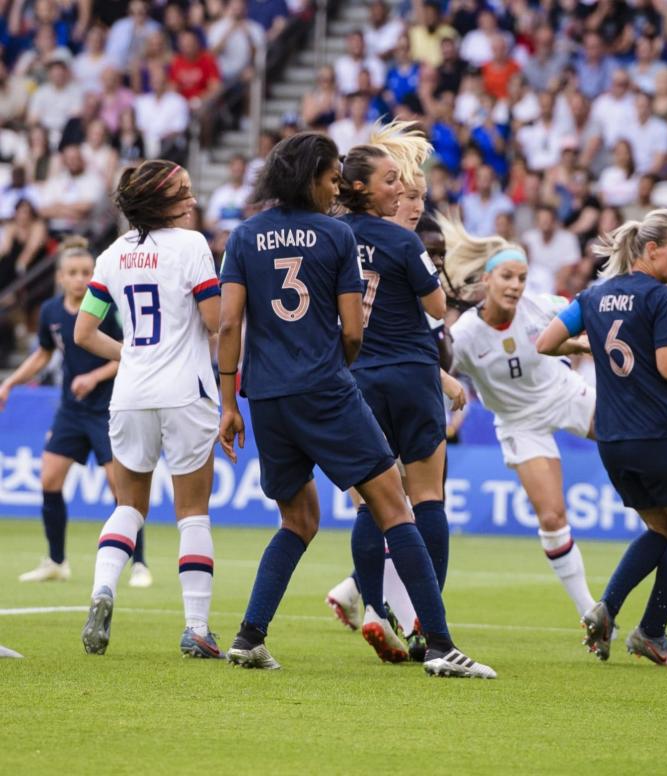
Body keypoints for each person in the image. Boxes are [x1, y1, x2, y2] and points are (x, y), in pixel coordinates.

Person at [216, 133, 492, 677]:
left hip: (265, 397)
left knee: (297, 519)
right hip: (326, 387)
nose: (336, 184)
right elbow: (352, 329)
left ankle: (250, 635)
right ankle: (438, 644)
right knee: (395, 505)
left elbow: (228, 325)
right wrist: (336, 363)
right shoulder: (335, 235)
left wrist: (229, 403)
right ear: (311, 177)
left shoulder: (243, 236)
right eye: (330, 175)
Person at [536, 209, 667, 667]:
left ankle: (607, 607)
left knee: (662, 529)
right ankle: (651, 632)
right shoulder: (662, 297)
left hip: (613, 438)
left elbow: (545, 343)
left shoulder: (594, 296)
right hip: (658, 432)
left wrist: (585, 344)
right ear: (651, 250)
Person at [74, 159, 223, 659]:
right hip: (186, 394)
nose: (193, 200)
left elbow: (83, 332)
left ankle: (101, 592)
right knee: (192, 513)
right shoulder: (192, 246)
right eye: (183, 192)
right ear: (162, 203)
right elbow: (213, 318)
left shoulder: (112, 255)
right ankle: (196, 627)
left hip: (131, 394)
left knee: (128, 506)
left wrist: (132, 353)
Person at [332, 143, 464, 663]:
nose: (407, 201)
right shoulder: (402, 241)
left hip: (356, 378)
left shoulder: (335, 237)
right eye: (399, 189)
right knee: (427, 498)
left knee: (371, 499)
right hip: (411, 375)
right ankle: (422, 622)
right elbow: (437, 307)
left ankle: (371, 608)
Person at [438, 214, 598, 621]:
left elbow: (590, 313)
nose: (515, 286)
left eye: (522, 277)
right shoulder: (467, 334)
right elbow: (430, 367)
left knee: (633, 433)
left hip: (564, 394)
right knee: (551, 516)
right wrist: (449, 391)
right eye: (507, 276)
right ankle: (592, 615)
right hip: (519, 423)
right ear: (487, 280)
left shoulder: (540, 307)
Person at [0, 239, 152, 587]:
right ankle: (56, 560)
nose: (80, 278)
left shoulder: (106, 309)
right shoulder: (52, 312)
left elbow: (129, 354)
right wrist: (10, 383)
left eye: (86, 272)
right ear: (60, 277)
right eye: (72, 272)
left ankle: (139, 564)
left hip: (107, 408)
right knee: (49, 479)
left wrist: (94, 376)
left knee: (122, 489)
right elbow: (42, 354)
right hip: (71, 410)